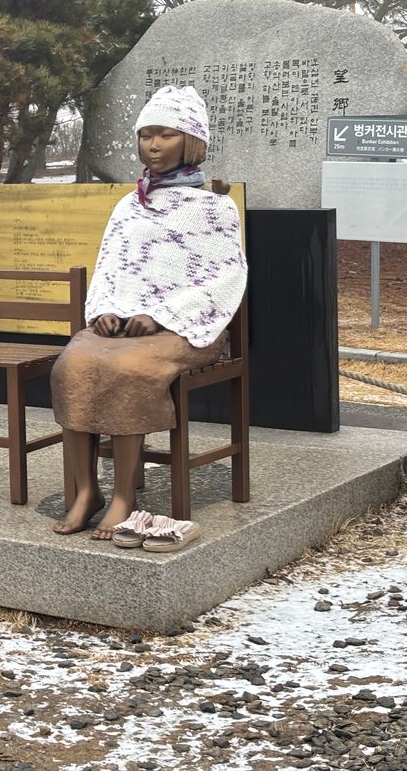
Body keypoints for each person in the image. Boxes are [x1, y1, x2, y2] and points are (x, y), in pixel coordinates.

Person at [50, 86, 247, 541]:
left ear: (191, 141)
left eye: (165, 135)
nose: (153, 145)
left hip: (186, 329)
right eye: (145, 135)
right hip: (123, 326)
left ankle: (123, 496)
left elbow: (225, 277)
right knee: (72, 364)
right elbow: (108, 267)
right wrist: (105, 309)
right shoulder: (129, 205)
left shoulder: (215, 207)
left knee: (128, 368)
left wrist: (161, 315)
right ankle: (86, 491)